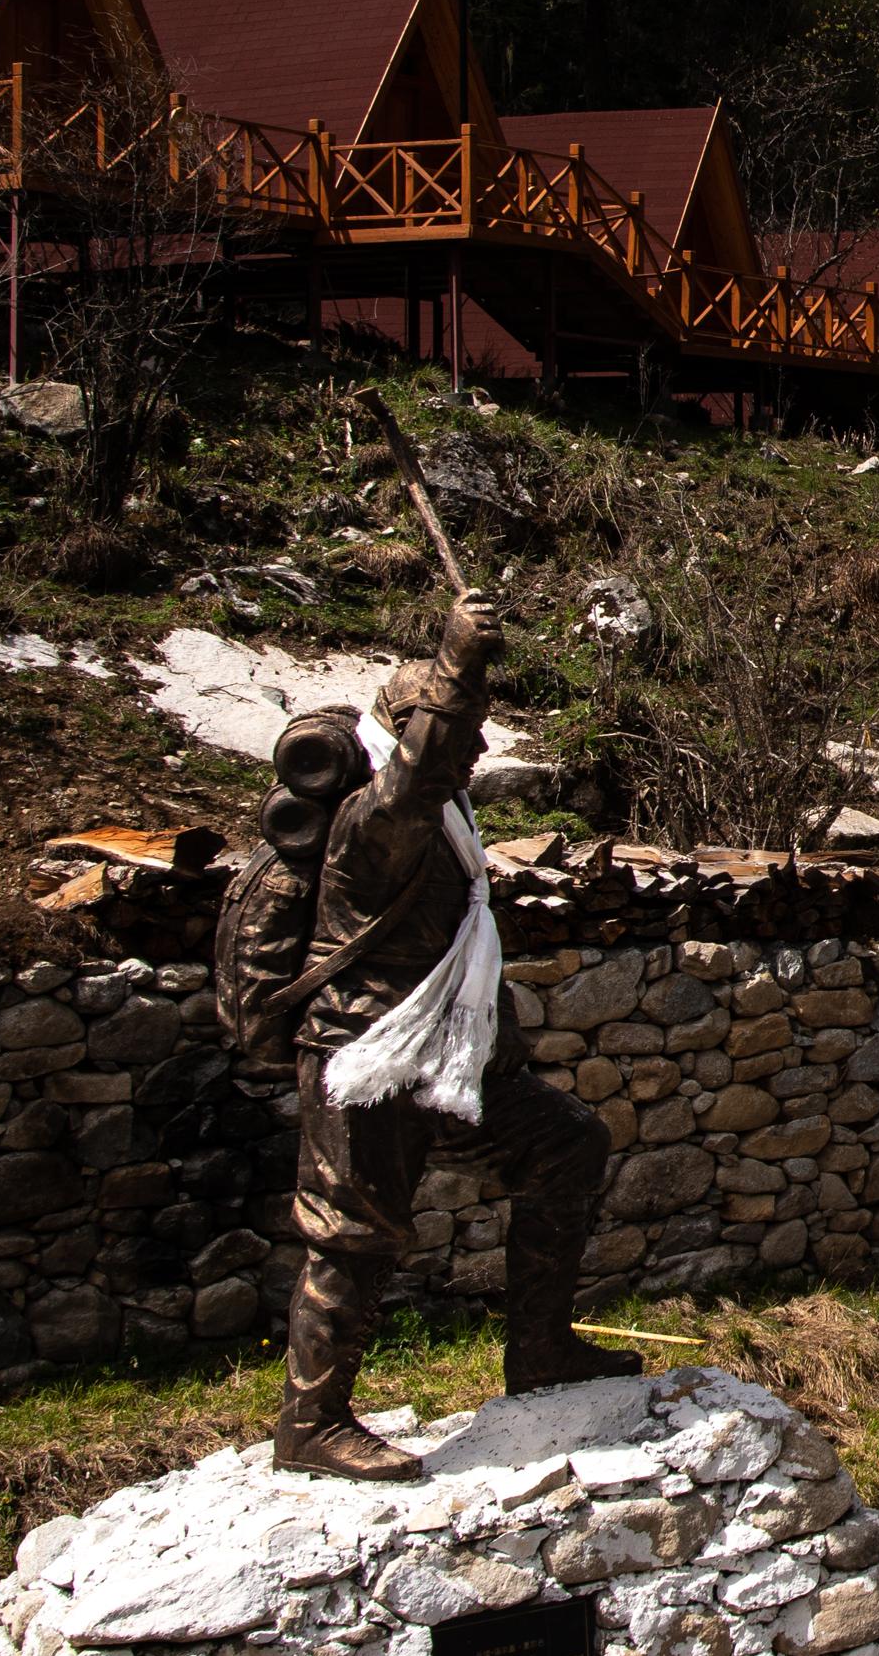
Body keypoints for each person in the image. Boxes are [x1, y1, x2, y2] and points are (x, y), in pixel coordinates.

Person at [267, 592, 642, 1480]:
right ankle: (311, 1421)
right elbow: (422, 766)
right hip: (369, 1055)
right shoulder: (377, 821)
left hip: (441, 1058)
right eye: (462, 730)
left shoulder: (448, 822)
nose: (479, 747)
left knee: (566, 1147)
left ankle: (541, 1351)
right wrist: (458, 662)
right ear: (410, 733)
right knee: (352, 1234)